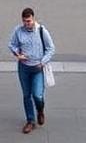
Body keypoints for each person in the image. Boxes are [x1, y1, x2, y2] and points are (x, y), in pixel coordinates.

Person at [8, 7, 55, 135]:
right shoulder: (18, 30)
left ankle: (40, 109)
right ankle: (30, 121)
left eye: (28, 21)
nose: (26, 24)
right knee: (26, 95)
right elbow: (12, 44)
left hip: (37, 68)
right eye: (24, 21)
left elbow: (51, 48)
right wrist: (18, 54)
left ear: (33, 18)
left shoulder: (41, 31)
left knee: (37, 95)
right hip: (24, 68)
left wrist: (43, 62)